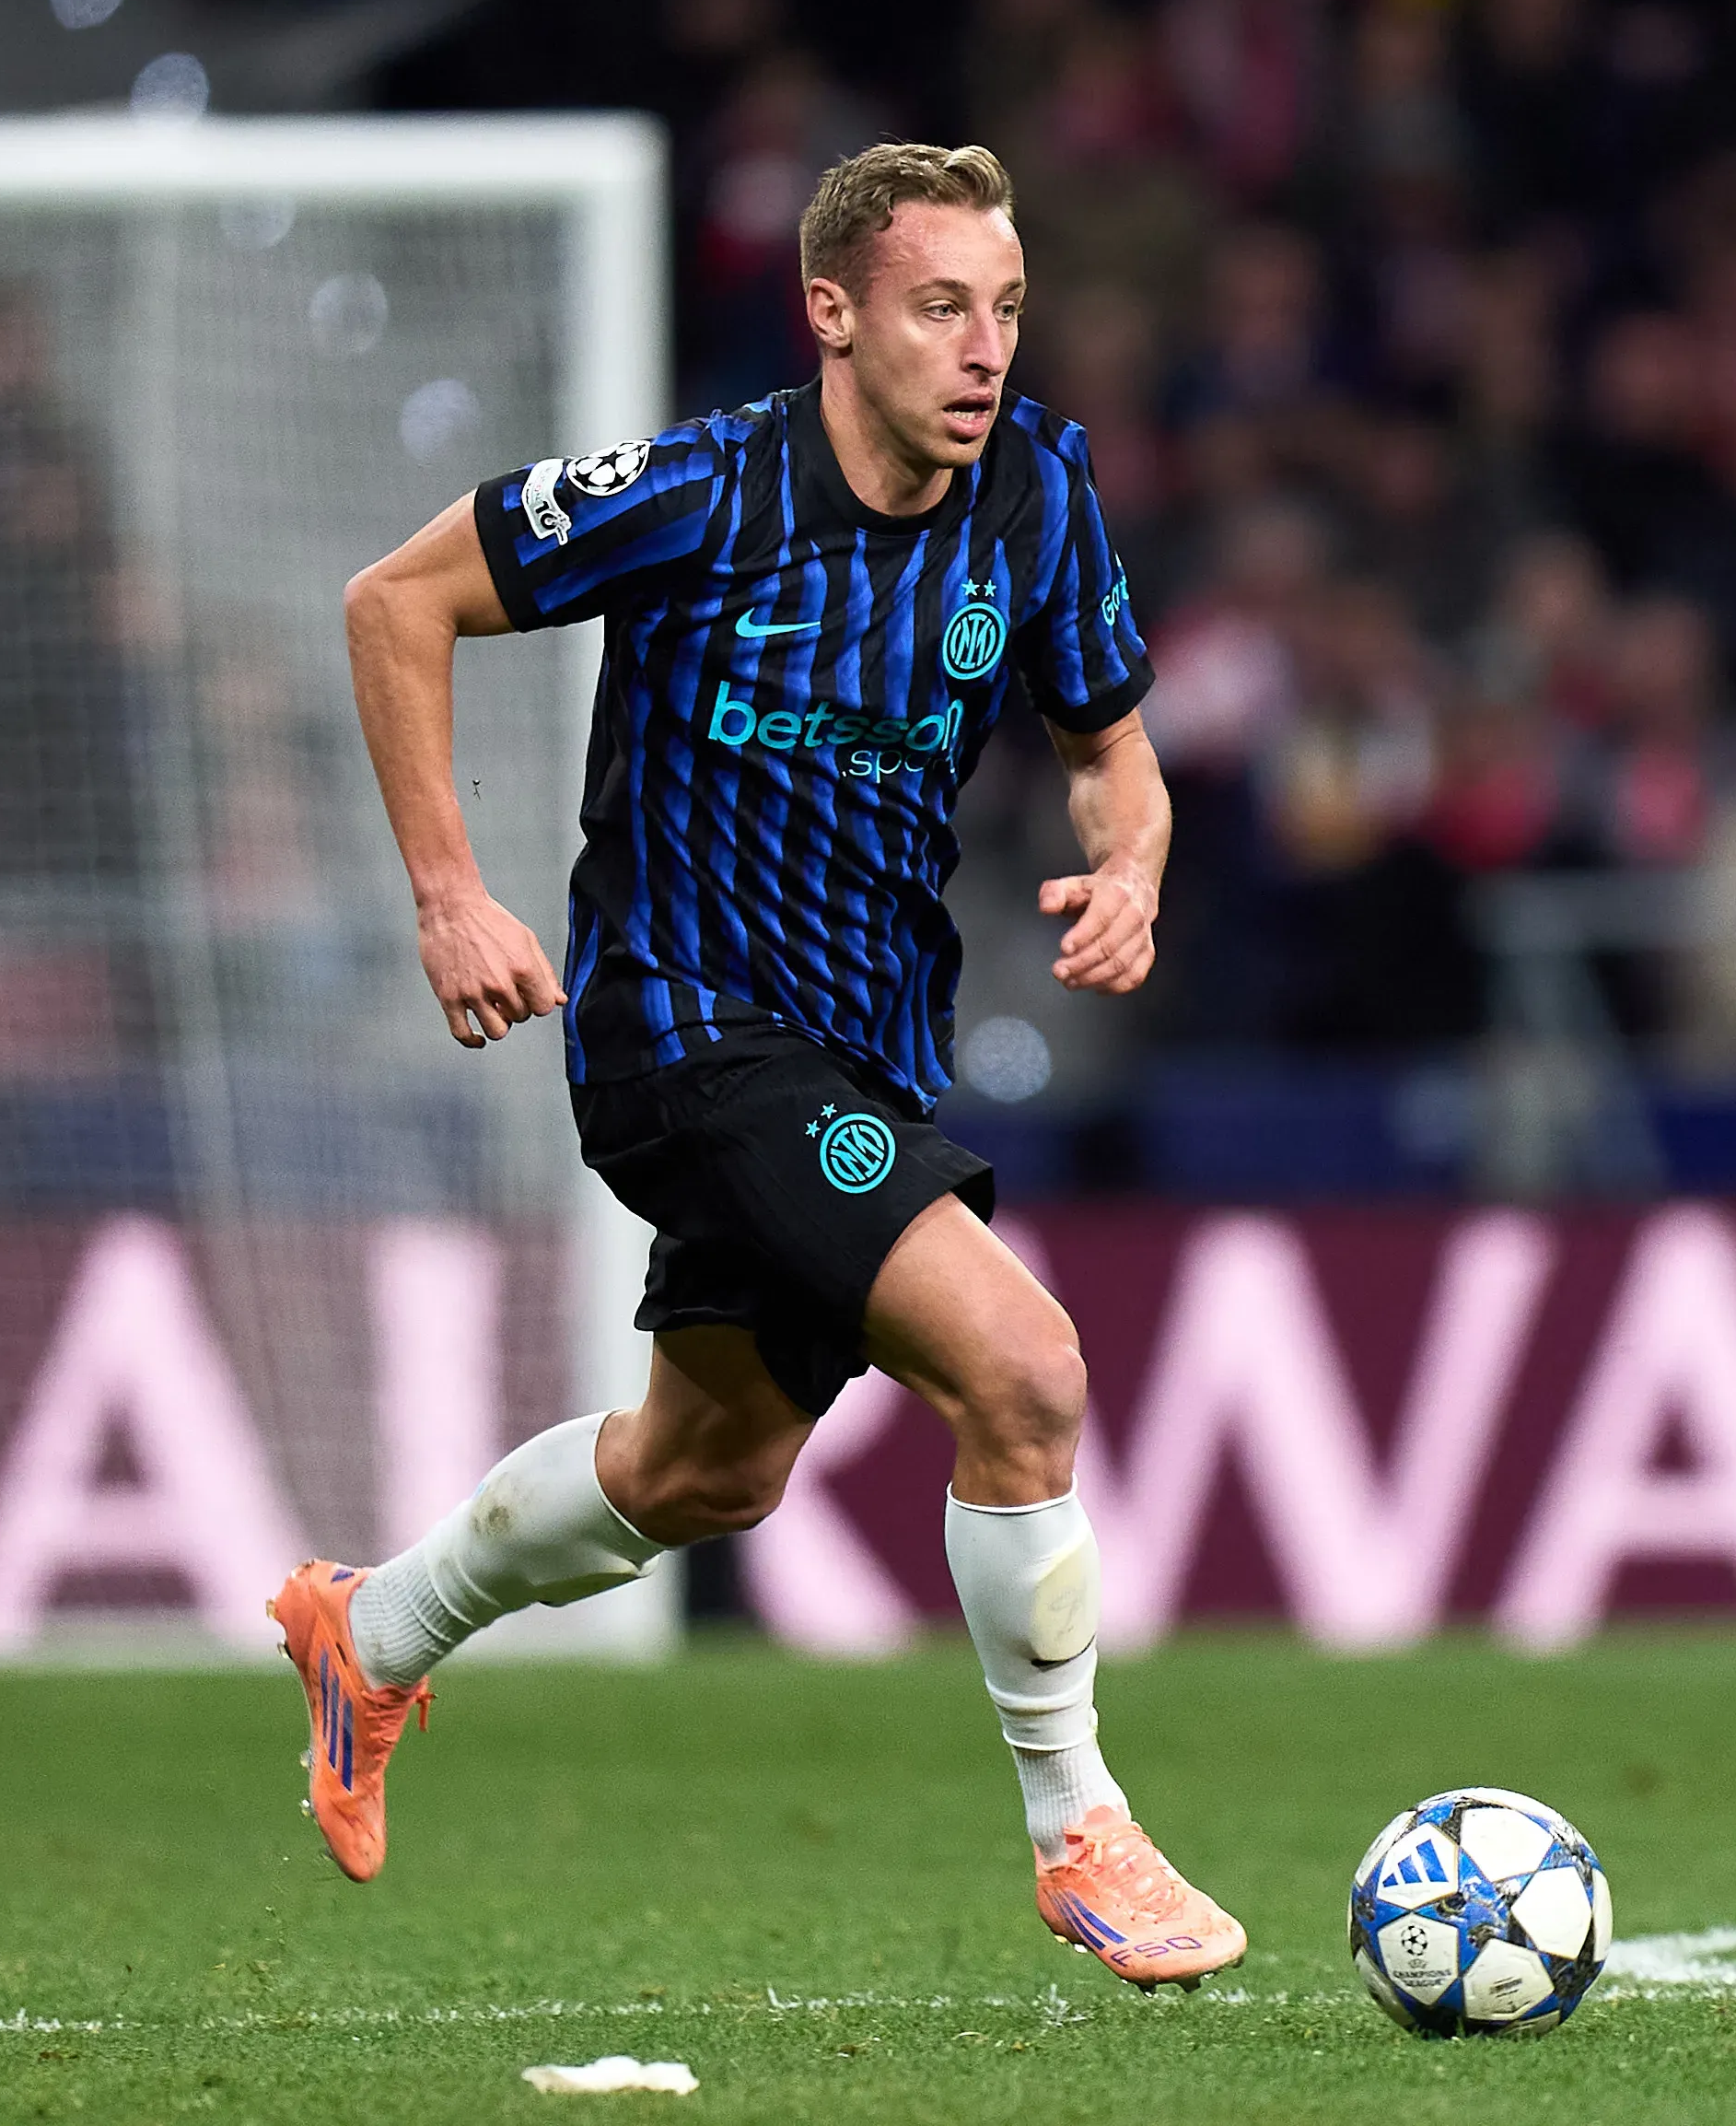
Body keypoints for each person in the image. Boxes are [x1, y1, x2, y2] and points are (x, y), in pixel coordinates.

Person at [274, 141, 1241, 1991]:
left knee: (705, 1468)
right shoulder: (702, 489)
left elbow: (1116, 746)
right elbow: (393, 602)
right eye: (942, 307)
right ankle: (1080, 1830)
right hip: (678, 1032)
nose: (984, 350)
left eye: (1008, 308)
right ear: (834, 315)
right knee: (1025, 1370)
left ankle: (370, 1627)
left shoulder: (1033, 491)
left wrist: (1130, 858)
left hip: (864, 1057)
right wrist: (448, 895)